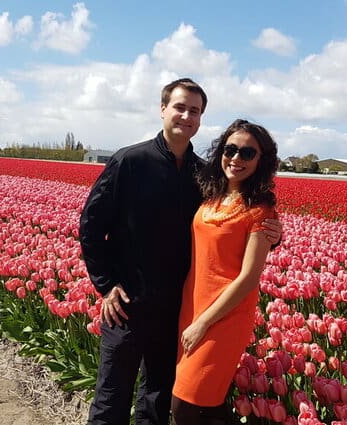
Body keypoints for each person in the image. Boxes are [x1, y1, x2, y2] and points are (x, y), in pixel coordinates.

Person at [79, 79, 282, 425]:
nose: (187, 116)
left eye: (195, 111)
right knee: (112, 397)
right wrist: (106, 284)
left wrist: (271, 237)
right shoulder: (130, 161)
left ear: (201, 118)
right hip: (128, 302)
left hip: (176, 306)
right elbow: (91, 225)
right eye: (180, 107)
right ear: (163, 109)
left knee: (158, 397)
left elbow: (233, 221)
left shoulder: (202, 174)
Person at [171, 119, 279, 425]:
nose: (236, 158)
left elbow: (248, 278)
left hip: (225, 315)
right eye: (231, 149)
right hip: (193, 306)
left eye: (248, 153)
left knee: (186, 404)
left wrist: (203, 323)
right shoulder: (211, 195)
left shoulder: (260, 211)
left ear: (262, 160)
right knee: (204, 403)